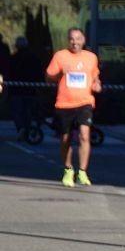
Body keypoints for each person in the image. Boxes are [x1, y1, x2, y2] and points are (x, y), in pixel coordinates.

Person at [45, 28, 101, 188]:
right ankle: (68, 169)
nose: (75, 42)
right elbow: (48, 77)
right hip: (64, 103)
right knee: (65, 138)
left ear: (83, 40)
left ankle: (83, 171)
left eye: (78, 39)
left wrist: (97, 84)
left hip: (85, 102)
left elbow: (95, 76)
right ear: (68, 41)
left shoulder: (91, 58)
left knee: (84, 135)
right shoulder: (60, 56)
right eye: (72, 39)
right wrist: (59, 74)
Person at [9, 37, 44, 141]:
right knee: (27, 111)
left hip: (17, 89)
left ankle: (21, 128)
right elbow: (39, 73)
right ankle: (27, 130)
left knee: (16, 110)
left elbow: (10, 73)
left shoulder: (14, 58)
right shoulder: (34, 58)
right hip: (31, 90)